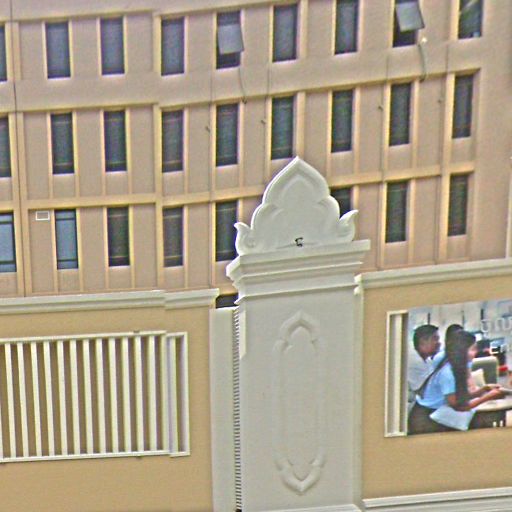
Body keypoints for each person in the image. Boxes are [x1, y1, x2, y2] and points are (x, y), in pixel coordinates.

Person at [408, 330, 505, 435]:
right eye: (473, 349)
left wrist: (483, 390)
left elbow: (460, 398)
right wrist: (487, 397)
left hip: (436, 415)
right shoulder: (448, 373)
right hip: (426, 420)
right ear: (462, 351)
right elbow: (459, 406)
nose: (476, 352)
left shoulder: (456, 367)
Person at [408, 324, 441, 394]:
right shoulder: (414, 361)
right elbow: (425, 391)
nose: (439, 343)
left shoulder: (427, 360)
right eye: (435, 339)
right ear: (422, 341)